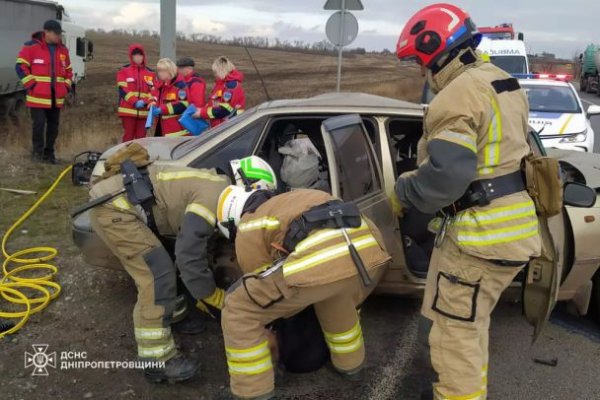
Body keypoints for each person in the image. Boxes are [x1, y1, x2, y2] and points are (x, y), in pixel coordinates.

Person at [394, 4, 541, 400]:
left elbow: (446, 178)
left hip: (480, 237)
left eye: (420, 64)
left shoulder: (456, 96)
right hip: (515, 229)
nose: (422, 73)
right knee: (469, 326)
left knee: (454, 338)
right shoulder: (502, 80)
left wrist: (403, 191)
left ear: (433, 50)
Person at [88, 145, 277, 383]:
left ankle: (176, 317)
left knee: (171, 262)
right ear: (247, 185)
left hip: (130, 206)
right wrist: (212, 297)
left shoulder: (218, 185)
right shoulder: (215, 195)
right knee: (156, 274)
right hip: (114, 210)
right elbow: (188, 255)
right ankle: (156, 359)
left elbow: (197, 249)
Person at [218, 186, 391, 399]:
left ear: (231, 217)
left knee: (240, 307)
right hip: (370, 253)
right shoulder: (293, 197)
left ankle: (252, 392)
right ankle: (351, 367)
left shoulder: (249, 222)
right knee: (334, 296)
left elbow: (257, 278)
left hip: (322, 260)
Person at [16, 19, 72, 163]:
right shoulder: (31, 47)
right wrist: (32, 85)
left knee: (53, 127)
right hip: (37, 97)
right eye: (56, 34)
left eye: (59, 34)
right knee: (39, 126)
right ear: (46, 32)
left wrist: (66, 86)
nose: (58, 37)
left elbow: (69, 72)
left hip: (56, 97)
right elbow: (20, 67)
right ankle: (37, 155)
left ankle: (49, 155)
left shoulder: (63, 50)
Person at [116, 44, 154, 142]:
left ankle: (139, 157)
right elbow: (123, 90)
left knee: (141, 139)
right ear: (131, 57)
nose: (138, 58)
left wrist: (145, 102)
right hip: (128, 111)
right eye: (135, 55)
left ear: (143, 56)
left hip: (144, 111)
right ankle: (126, 157)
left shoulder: (150, 73)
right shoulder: (123, 71)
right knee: (128, 138)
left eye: (140, 55)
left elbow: (154, 90)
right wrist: (134, 101)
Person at [194, 56, 245, 127]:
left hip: (229, 127)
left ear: (222, 70)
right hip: (220, 126)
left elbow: (224, 110)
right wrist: (200, 109)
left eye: (215, 72)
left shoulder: (231, 86)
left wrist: (201, 113)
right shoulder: (220, 85)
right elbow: (213, 104)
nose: (214, 74)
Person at [149, 58, 191, 137]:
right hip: (161, 127)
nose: (159, 73)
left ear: (169, 71)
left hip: (177, 131)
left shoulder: (180, 86)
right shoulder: (161, 86)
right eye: (158, 70)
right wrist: (153, 104)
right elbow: (156, 99)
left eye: (162, 71)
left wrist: (162, 109)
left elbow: (183, 105)